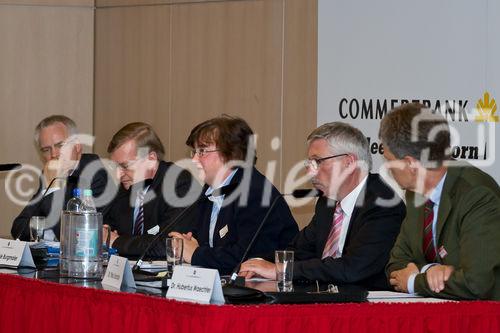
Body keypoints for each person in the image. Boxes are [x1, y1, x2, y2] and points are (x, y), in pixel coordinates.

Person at [240, 122, 406, 290]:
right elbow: (299, 251)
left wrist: (282, 270)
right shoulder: (327, 203)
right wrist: (258, 263)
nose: (310, 172)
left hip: (369, 307)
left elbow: (353, 268)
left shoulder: (382, 204)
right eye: (309, 164)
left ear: (349, 162)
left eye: (317, 162)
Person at [380, 102, 500, 300]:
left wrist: (414, 281)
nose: (388, 169)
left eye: (389, 160)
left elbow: (476, 283)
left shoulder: (477, 195)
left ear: (410, 163)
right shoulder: (415, 192)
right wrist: (430, 270)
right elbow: (395, 265)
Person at [169, 115, 298, 275]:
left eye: (202, 151)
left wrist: (195, 253)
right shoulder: (209, 191)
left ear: (231, 155)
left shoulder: (255, 192)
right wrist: (190, 242)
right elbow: (205, 243)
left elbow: (247, 257)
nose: (194, 160)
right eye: (194, 152)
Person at [103, 122, 199, 257]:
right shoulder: (124, 186)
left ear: (151, 159)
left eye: (125, 166)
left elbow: (167, 244)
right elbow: (106, 230)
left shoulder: (180, 184)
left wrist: (116, 241)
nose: (119, 175)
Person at [11, 115, 108, 241]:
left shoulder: (95, 173)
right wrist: (47, 234)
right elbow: (18, 228)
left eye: (60, 145)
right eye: (46, 149)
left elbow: (74, 235)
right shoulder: (50, 174)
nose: (54, 154)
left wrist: (53, 189)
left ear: (78, 146)